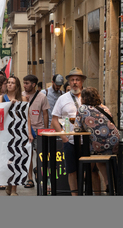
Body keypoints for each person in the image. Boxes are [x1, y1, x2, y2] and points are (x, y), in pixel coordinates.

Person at [51, 67, 100, 196]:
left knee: (92, 170)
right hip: (71, 140)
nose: (74, 83)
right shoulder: (63, 99)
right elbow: (54, 120)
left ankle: (98, 194)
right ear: (68, 82)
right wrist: (64, 137)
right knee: (71, 170)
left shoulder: (89, 97)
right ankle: (75, 196)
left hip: (89, 141)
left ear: (82, 81)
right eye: (72, 80)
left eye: (77, 80)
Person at [74, 87, 119, 194]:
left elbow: (77, 129)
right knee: (99, 157)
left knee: (93, 152)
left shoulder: (82, 109)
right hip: (115, 141)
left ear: (83, 98)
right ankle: (108, 183)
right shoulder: (104, 107)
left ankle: (84, 178)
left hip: (100, 144)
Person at [0, 76, 33, 196]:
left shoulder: (23, 99)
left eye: (12, 83)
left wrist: (29, 132)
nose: (10, 85)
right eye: (8, 83)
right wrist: (8, 106)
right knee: (7, 160)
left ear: (17, 86)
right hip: (5, 133)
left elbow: (27, 117)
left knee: (17, 159)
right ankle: (8, 182)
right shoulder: (1, 98)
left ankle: (14, 189)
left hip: (19, 133)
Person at [22, 75, 50, 189]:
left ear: (34, 84)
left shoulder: (42, 96)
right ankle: (30, 178)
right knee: (28, 155)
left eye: (27, 83)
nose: (24, 85)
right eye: (24, 83)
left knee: (41, 154)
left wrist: (46, 129)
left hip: (38, 129)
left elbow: (45, 114)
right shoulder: (22, 95)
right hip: (25, 129)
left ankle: (41, 174)